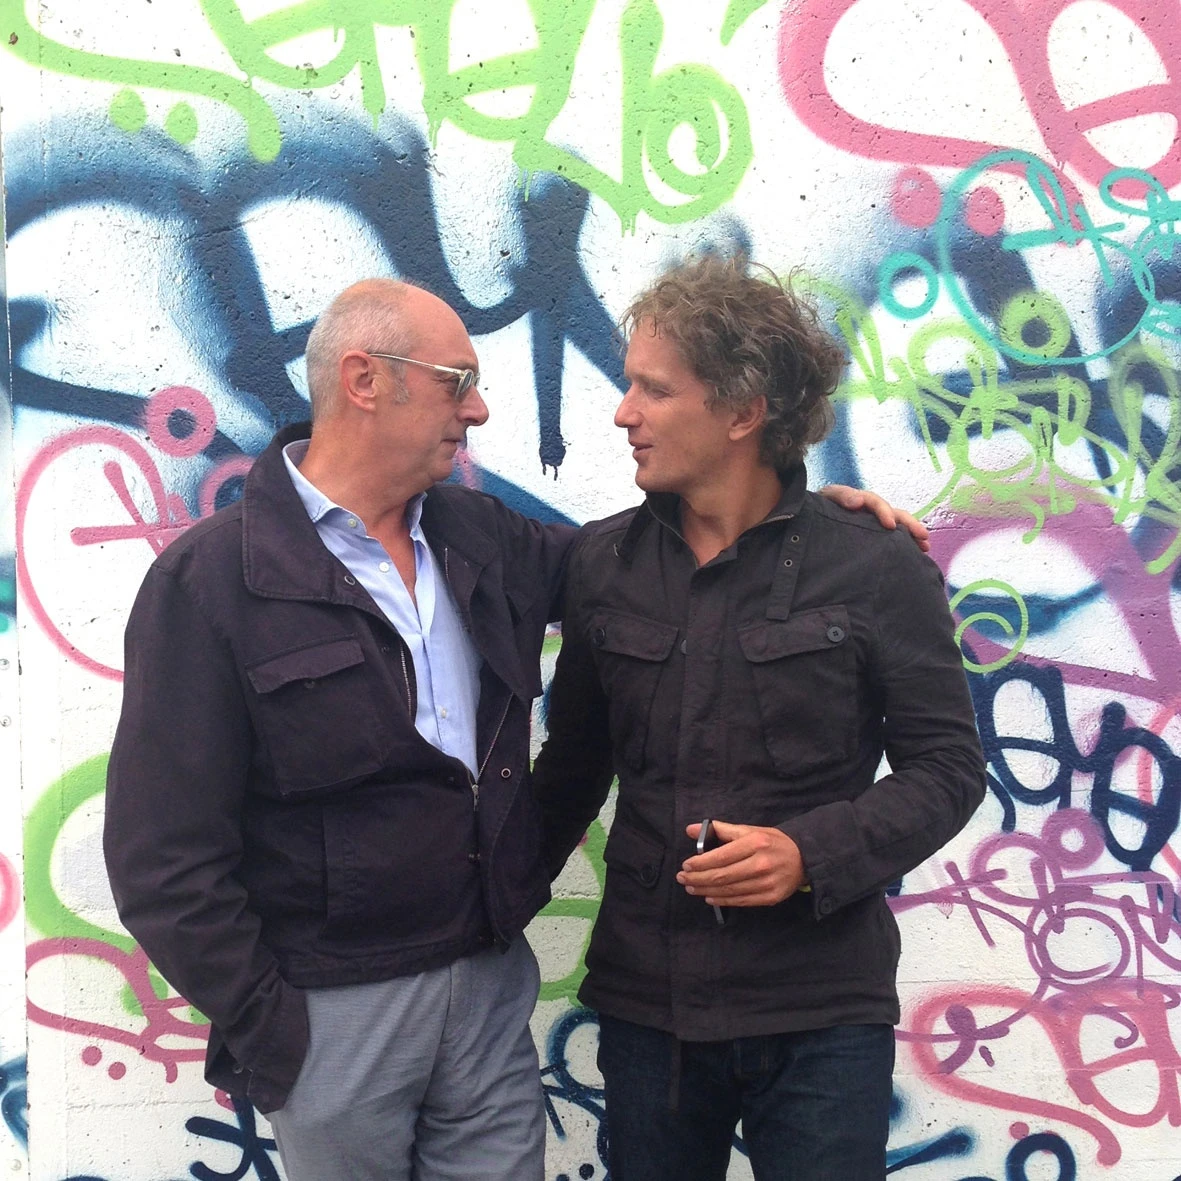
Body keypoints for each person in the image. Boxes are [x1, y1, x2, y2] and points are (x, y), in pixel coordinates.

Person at [103, 275, 924, 1181]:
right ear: (365, 379)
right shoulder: (214, 580)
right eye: (457, 381)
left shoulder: (479, 538)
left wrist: (805, 516)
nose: (479, 408)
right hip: (333, 1011)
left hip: (487, 990)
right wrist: (274, 1026)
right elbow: (161, 855)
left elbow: (675, 566)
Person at [532, 255, 987, 1181]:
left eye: (654, 389)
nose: (623, 412)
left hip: (819, 1008)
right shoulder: (601, 566)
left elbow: (947, 769)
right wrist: (472, 914)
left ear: (742, 412)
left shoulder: (875, 565)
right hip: (649, 1009)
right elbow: (570, 772)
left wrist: (807, 853)